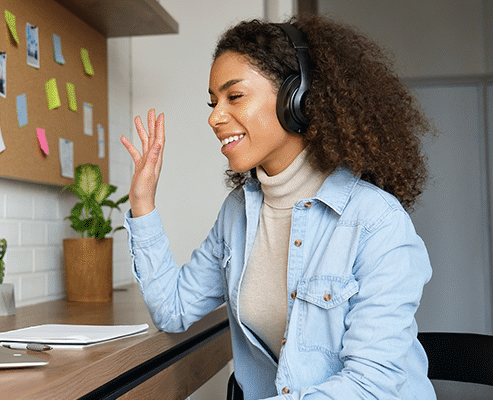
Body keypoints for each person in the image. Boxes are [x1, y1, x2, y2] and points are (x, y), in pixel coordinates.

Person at [120, 14, 435, 399]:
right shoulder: (238, 212)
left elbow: (370, 386)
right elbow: (173, 309)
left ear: (296, 98)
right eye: (213, 102)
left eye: (234, 96)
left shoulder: (377, 222)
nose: (215, 117)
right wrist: (142, 202)